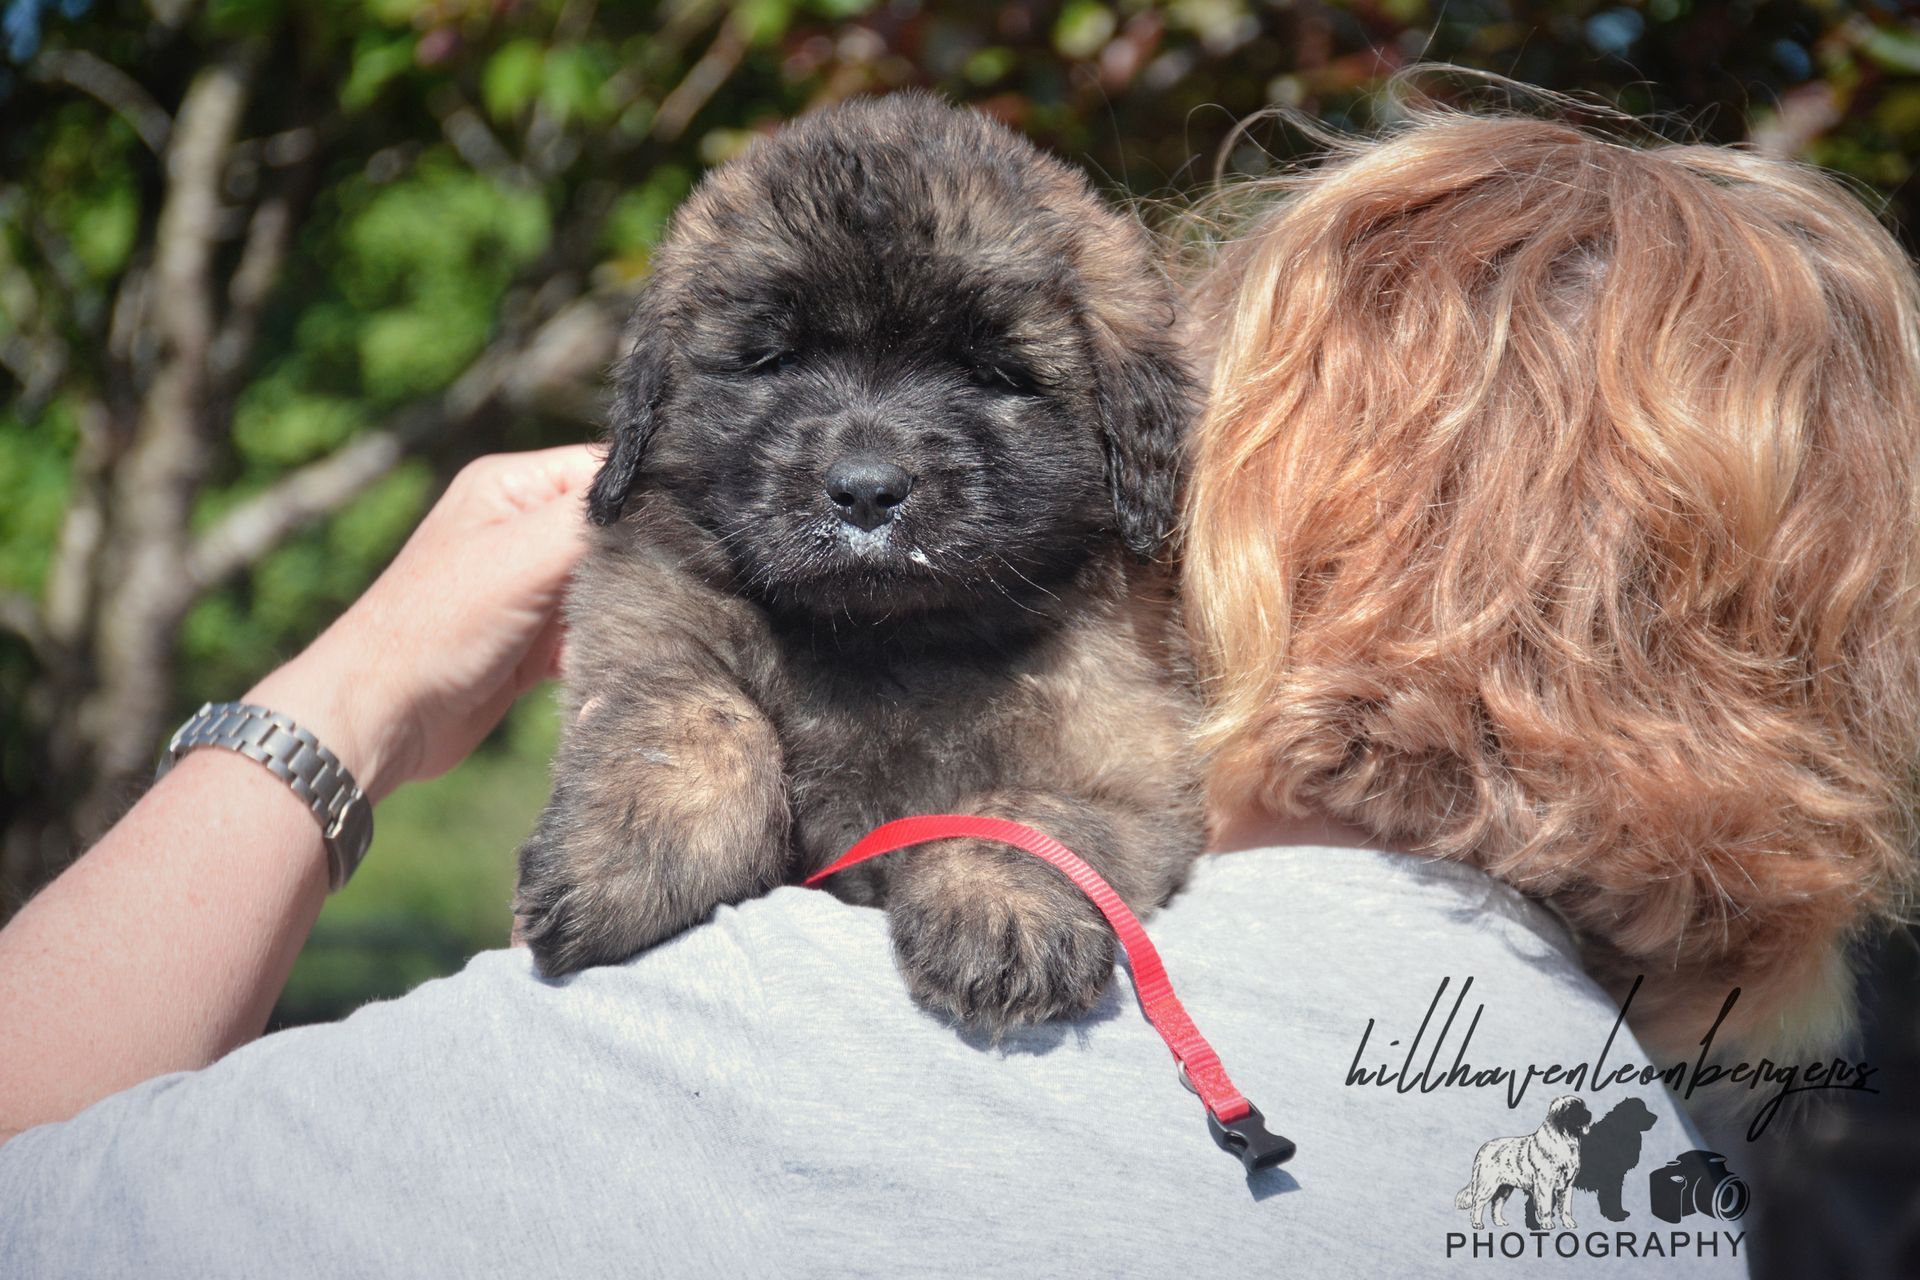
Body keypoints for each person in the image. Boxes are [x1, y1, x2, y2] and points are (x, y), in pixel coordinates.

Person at [8, 94, 1912, 1275]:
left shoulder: (766, 1050)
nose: (866, 461)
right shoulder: (1631, 1189)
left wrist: (326, 713)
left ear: (1228, 504)